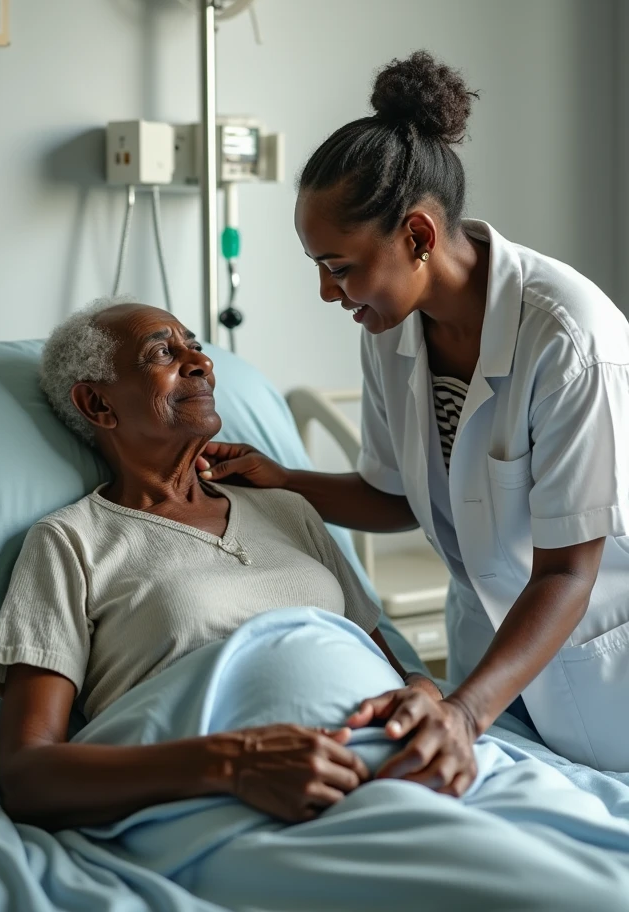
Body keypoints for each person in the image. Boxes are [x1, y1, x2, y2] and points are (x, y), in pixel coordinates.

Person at [199, 50, 629, 775]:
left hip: (589, 654)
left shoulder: (570, 338)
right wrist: (282, 479)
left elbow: (565, 573)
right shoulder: (393, 326)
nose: (329, 294)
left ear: (419, 237)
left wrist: (464, 710)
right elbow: (397, 496)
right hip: (487, 651)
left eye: (340, 267)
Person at [0, 299, 460, 831]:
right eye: (162, 352)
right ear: (97, 404)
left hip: (409, 767)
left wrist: (430, 699)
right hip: (240, 809)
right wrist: (233, 763)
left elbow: (396, 673)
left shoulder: (287, 509)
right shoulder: (71, 542)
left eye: (197, 347)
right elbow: (27, 774)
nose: (200, 363)